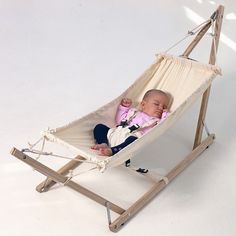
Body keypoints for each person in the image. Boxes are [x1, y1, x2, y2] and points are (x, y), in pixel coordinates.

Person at [91, 89, 170, 156]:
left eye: (164, 107)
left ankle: (113, 151)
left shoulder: (156, 122)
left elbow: (161, 128)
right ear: (143, 104)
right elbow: (120, 120)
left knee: (133, 139)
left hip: (129, 141)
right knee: (99, 127)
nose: (160, 108)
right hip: (116, 134)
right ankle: (103, 143)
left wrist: (165, 115)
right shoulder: (134, 112)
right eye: (156, 104)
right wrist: (124, 107)